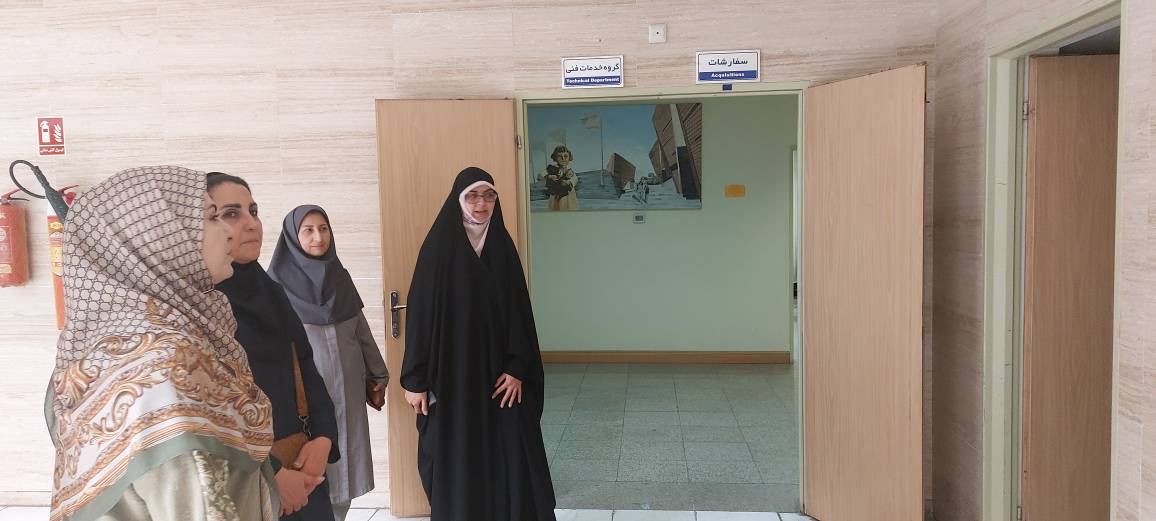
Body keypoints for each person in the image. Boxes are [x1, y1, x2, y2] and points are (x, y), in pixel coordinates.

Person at [46, 166, 278, 521]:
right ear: (156, 239)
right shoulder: (163, 369)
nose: (228, 232)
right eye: (212, 218)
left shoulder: (106, 351)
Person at [401, 167, 556, 521]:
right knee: (458, 456)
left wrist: (518, 368)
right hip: (453, 379)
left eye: (488, 196)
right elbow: (420, 317)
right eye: (472, 195)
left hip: (501, 380)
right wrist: (415, 379)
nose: (481, 203)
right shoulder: (438, 249)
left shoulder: (503, 248)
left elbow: (520, 316)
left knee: (513, 456)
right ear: (459, 200)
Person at [208, 173, 340, 521]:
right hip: (247, 475)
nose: (251, 223)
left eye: (253, 211)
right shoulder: (201, 307)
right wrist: (273, 474)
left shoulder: (270, 292)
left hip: (301, 460)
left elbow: (305, 363)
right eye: (231, 214)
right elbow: (208, 412)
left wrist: (323, 438)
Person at [268, 205, 388, 521]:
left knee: (345, 469)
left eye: (323, 228)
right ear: (292, 237)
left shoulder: (340, 277)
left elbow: (361, 331)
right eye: (308, 230)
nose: (318, 237)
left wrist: (378, 376)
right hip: (306, 401)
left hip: (348, 393)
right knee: (313, 475)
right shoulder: (275, 287)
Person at [544, 145, 579, 211]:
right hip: (555, 198)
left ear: (569, 157)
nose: (563, 159)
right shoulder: (551, 169)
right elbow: (540, 176)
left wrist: (568, 182)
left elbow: (574, 180)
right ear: (555, 158)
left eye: (565, 156)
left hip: (569, 198)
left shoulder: (571, 173)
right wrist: (549, 176)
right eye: (560, 156)